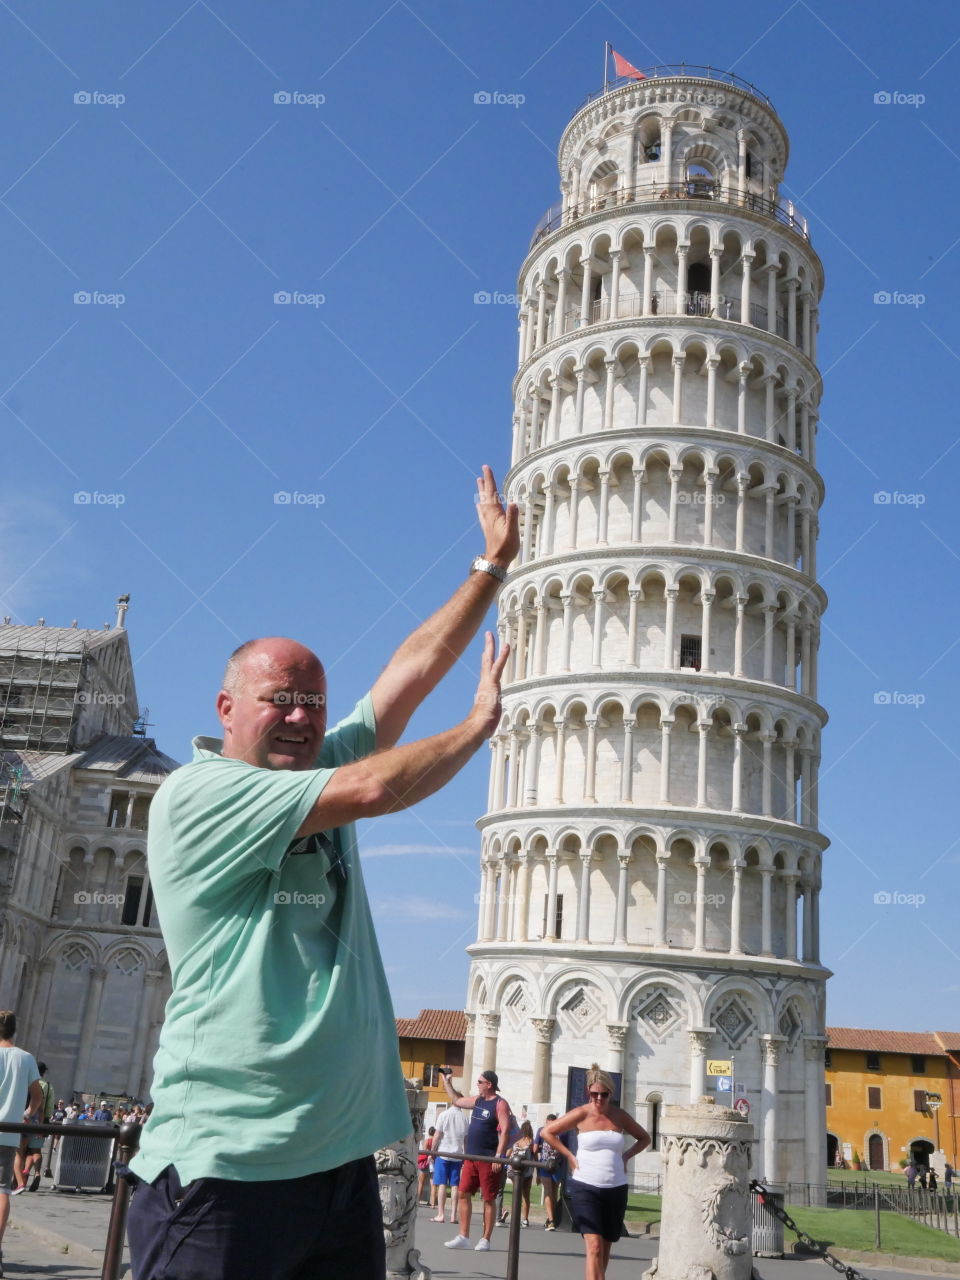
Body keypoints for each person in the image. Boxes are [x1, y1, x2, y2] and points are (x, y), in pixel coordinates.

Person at [125, 466, 519, 1280]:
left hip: (338, 1168)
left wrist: (489, 568)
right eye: (281, 699)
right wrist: (479, 724)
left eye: (314, 700)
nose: (303, 717)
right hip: (226, 1167)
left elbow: (402, 680)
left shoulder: (307, 765)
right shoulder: (202, 793)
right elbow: (376, 786)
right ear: (226, 709)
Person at [542, 1065, 650, 1280]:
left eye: (604, 1094)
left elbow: (645, 1138)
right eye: (594, 1094)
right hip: (585, 1187)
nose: (599, 1098)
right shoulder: (581, 1113)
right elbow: (548, 1132)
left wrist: (626, 1156)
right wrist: (570, 1156)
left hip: (616, 1187)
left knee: (606, 1248)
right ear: (588, 1092)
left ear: (611, 1093)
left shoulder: (619, 1116)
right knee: (594, 1247)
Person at [441, 1069, 512, 1252]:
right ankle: (464, 1236)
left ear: (489, 1084)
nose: (477, 1084)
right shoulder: (478, 1100)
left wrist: (499, 1155)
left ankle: (485, 1239)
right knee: (463, 1193)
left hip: (488, 1158)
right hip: (471, 1157)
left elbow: (505, 1130)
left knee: (488, 1199)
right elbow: (457, 1100)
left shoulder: (500, 1103)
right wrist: (447, 1081)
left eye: (480, 1082)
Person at [0, 1012, 43, 1277]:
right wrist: (26, 1114)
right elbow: (37, 1095)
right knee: (2, 1189)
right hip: (8, 1132)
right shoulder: (25, 1057)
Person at [13, 1061, 53, 1194]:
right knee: (32, 1151)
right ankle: (33, 1174)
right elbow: (44, 1109)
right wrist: (41, 1126)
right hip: (35, 1123)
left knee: (18, 1153)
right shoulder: (45, 1086)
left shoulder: (21, 1084)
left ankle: (18, 1182)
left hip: (18, 1120)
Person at [430, 1102, 469, 1224]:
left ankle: (441, 1214)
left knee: (441, 1184)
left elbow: (437, 1135)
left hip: (443, 1152)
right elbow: (465, 1139)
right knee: (454, 1185)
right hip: (457, 1154)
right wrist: (465, 1154)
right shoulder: (465, 1118)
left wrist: (432, 1151)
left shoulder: (444, 1114)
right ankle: (453, 1215)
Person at [534, 1114, 561, 1229]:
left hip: (546, 1164)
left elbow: (535, 1149)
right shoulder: (560, 1131)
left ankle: (551, 1220)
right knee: (552, 1192)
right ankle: (551, 1219)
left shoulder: (541, 1130)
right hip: (555, 1165)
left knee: (549, 1192)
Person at [416, 1127, 436, 1204]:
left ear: (428, 1133)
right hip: (433, 1162)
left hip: (425, 1163)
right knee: (433, 1184)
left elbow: (424, 1152)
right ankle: (432, 1203)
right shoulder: (436, 1141)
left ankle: (418, 1200)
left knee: (421, 1182)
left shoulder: (426, 1141)